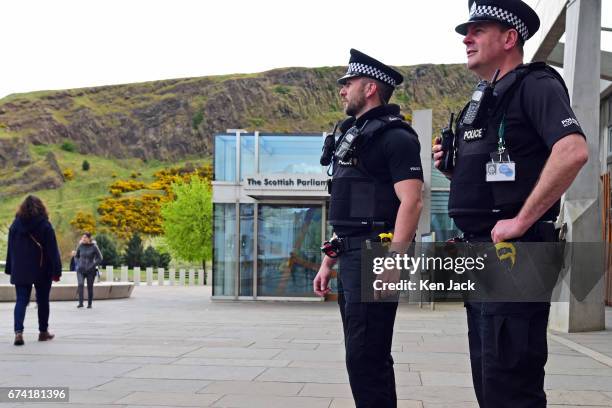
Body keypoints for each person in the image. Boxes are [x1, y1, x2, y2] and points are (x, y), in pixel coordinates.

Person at [433, 1, 588, 406]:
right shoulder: (482, 101)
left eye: (477, 30)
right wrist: (454, 170)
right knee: (490, 381)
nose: (466, 38)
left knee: (510, 386)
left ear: (509, 37)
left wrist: (520, 220)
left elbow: (572, 151)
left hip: (514, 252)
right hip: (482, 250)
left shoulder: (535, 84)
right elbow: (502, 174)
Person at [313, 49, 423, 408]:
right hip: (351, 255)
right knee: (361, 356)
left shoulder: (396, 137)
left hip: (376, 257)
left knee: (366, 356)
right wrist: (329, 260)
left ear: (370, 87)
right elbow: (352, 207)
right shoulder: (355, 136)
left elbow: (412, 201)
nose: (342, 91)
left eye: (348, 84)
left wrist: (394, 261)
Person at [4, 195, 62, 346]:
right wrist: (57, 270)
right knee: (43, 301)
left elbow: (11, 249)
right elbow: (52, 250)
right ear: (41, 207)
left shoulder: (15, 225)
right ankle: (43, 332)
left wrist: (10, 267)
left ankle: (18, 333)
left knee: (21, 300)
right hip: (42, 269)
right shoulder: (45, 225)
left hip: (21, 270)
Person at [75, 232, 102, 309]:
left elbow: (100, 258)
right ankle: (80, 303)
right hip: (80, 269)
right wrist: (78, 263)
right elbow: (76, 256)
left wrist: (93, 265)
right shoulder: (80, 246)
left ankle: (89, 304)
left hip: (91, 270)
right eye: (82, 237)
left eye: (85, 237)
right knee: (80, 284)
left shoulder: (94, 247)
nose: (83, 239)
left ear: (89, 238)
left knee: (90, 287)